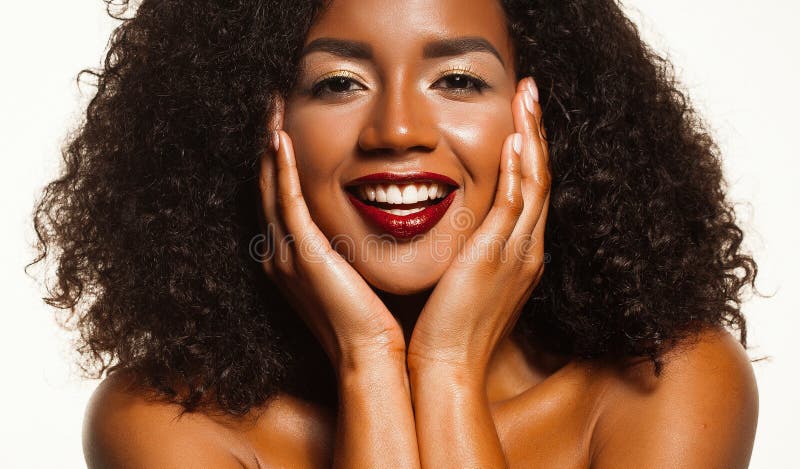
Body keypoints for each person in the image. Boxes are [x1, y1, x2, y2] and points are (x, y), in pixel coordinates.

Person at [30, 0, 759, 467]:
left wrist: (444, 366)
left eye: (460, 81)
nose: (398, 132)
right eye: (338, 83)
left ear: (542, 115)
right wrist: (369, 361)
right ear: (252, 121)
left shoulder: (665, 388)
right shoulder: (166, 424)